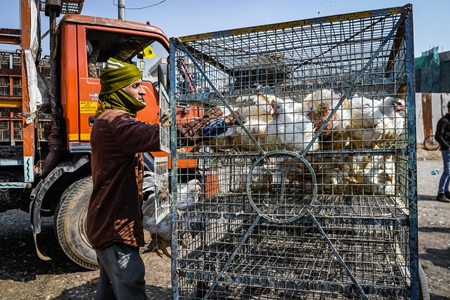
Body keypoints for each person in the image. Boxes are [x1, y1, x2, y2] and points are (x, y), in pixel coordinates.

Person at [87, 57, 160, 299]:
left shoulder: (106, 119)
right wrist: (215, 124)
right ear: (119, 89)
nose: (143, 92)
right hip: (115, 229)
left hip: (105, 223)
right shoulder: (116, 123)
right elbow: (160, 136)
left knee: (108, 291)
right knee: (130, 282)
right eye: (136, 85)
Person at [434, 100, 450, 203]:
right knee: (447, 170)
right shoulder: (444, 121)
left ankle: (446, 191)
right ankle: (440, 193)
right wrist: (447, 146)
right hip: (447, 150)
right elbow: (438, 136)